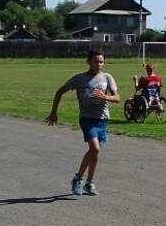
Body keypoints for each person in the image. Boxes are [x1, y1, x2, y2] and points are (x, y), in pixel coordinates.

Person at [46, 49, 120, 196]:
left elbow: (117, 97)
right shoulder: (79, 79)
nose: (99, 64)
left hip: (103, 119)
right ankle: (78, 178)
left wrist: (105, 97)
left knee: (94, 152)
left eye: (101, 61)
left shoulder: (107, 77)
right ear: (88, 62)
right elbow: (59, 91)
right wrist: (54, 112)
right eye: (95, 61)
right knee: (95, 149)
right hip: (87, 119)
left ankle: (89, 183)